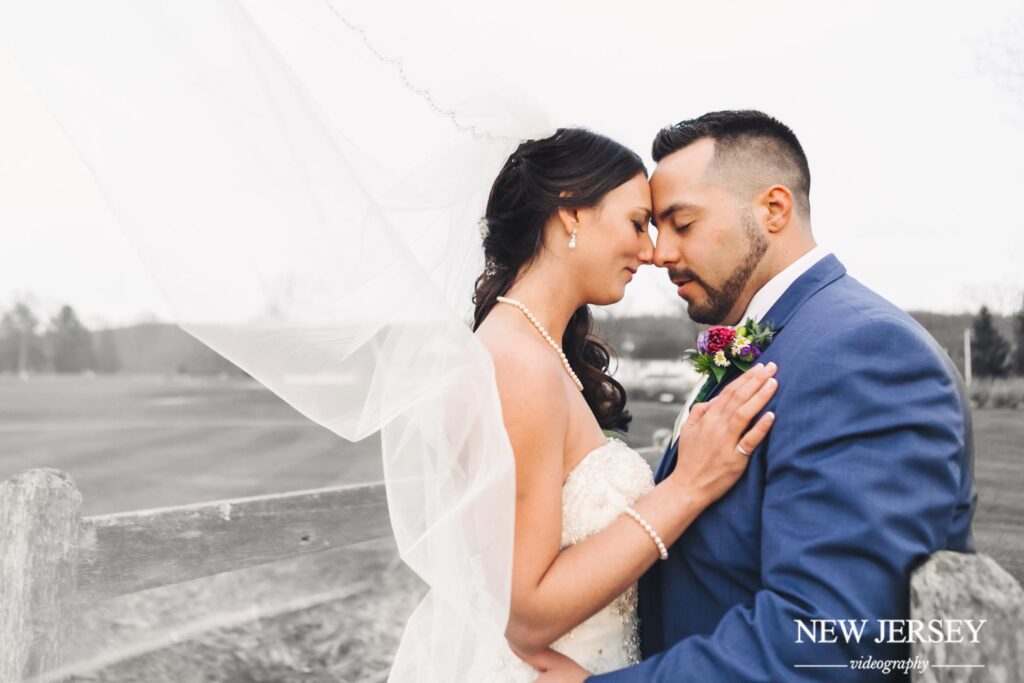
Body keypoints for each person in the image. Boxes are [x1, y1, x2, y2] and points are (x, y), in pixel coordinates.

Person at [537, 110, 976, 682]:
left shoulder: (866, 353)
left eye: (682, 223)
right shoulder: (782, 338)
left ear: (773, 209)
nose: (659, 252)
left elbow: (828, 642)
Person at [470, 127, 779, 679]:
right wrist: (688, 487)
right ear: (571, 214)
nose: (651, 251)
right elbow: (529, 614)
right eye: (639, 223)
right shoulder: (517, 362)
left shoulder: (539, 349)